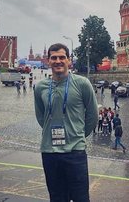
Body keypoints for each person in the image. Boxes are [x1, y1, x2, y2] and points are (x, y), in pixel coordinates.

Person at [34, 43, 98, 202]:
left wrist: (78, 135)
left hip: (75, 152)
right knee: (57, 198)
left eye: (62, 57)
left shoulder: (82, 83)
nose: (58, 61)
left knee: (81, 198)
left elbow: (92, 115)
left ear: (69, 60)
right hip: (49, 152)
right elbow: (41, 116)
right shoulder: (40, 87)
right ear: (48, 61)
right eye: (54, 58)